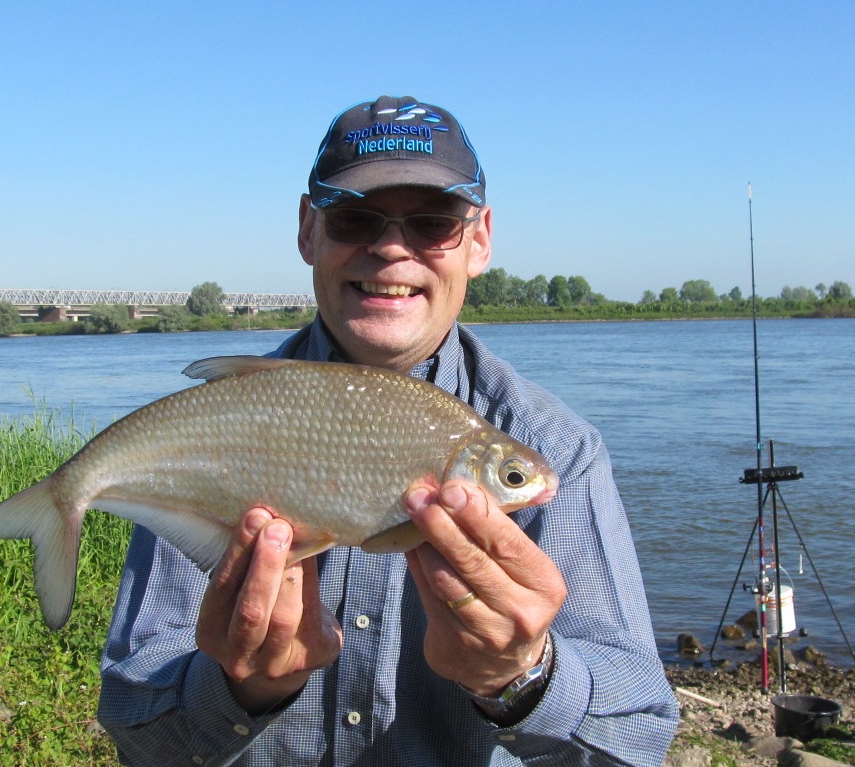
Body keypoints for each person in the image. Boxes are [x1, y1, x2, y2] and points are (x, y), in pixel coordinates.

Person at [97, 96, 679, 766]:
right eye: (354, 218)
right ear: (308, 230)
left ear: (479, 240)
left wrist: (523, 678)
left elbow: (639, 738)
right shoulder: (216, 423)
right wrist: (238, 688)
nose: (391, 248)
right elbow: (135, 728)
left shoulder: (562, 449)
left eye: (433, 223)